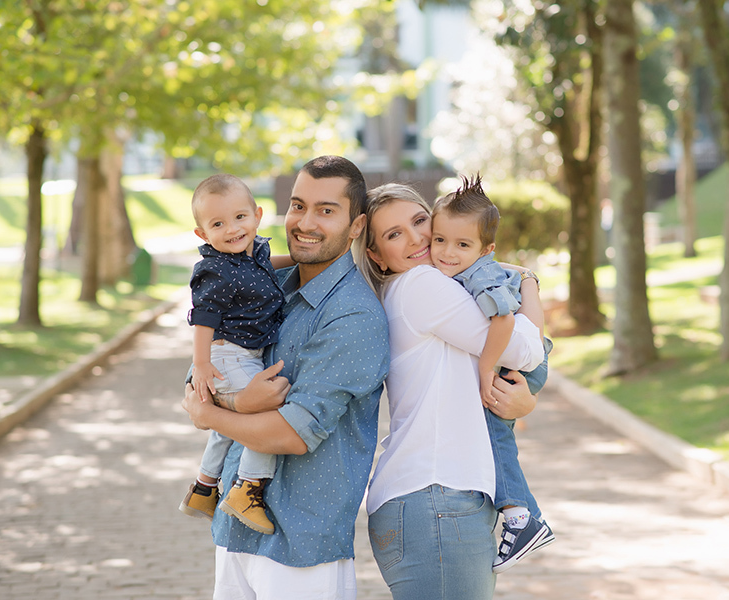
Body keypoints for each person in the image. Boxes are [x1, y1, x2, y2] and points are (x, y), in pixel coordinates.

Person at [181, 156, 390, 600]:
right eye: (298, 206)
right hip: (236, 534)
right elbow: (209, 368)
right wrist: (228, 402)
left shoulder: (353, 316)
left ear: (356, 226)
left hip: (302, 544)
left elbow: (291, 433)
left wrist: (209, 413)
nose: (305, 222)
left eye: (326, 210)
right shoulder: (267, 278)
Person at [352, 182, 544, 599]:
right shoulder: (421, 284)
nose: (418, 238)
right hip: (437, 499)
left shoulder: (408, 291)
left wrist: (523, 400)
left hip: (425, 500)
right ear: (375, 255)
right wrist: (526, 281)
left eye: (420, 221)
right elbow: (526, 350)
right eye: (393, 234)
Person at [430, 174, 556, 573]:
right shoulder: (457, 271)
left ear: (486, 250)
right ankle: (522, 515)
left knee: (494, 433)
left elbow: (502, 319)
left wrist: (486, 369)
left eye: (462, 245)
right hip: (510, 357)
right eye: (439, 241)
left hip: (513, 362)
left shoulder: (481, 273)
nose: (447, 253)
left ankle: (522, 518)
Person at [179, 173, 288, 535]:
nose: (232, 229)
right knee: (262, 416)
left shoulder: (253, 253)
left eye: (240, 217)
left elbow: (264, 272)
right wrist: (201, 364)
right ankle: (247, 490)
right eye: (218, 224)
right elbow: (204, 319)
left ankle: (203, 488)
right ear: (202, 234)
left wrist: (304, 265)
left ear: (257, 215)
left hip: (244, 353)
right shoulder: (216, 268)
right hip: (227, 355)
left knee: (225, 430)